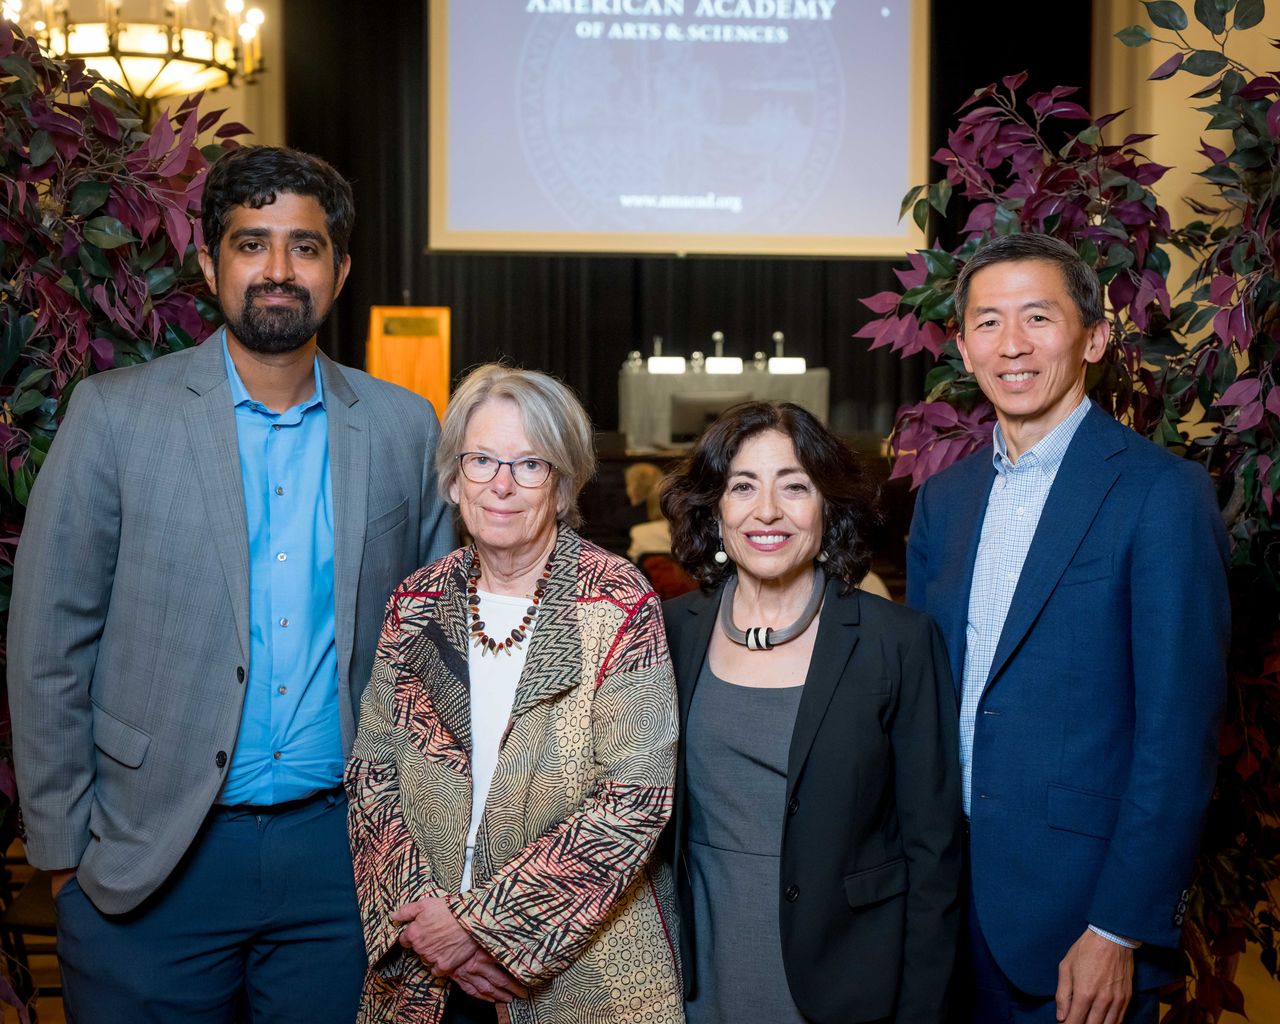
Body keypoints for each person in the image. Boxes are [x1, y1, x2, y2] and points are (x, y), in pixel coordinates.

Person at [7, 145, 454, 1022]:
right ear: (210, 263)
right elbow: (47, 642)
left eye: (305, 246)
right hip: (150, 861)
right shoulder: (115, 416)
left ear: (341, 269)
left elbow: (435, 648)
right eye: (252, 244)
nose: (278, 270)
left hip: (341, 864)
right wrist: (65, 855)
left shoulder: (404, 427)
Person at [906, 233, 1230, 1024]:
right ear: (962, 345)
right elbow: (922, 702)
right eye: (987, 322)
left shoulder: (1161, 494)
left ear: (1093, 336)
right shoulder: (941, 503)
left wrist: (1119, 926)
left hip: (1079, 926)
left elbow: (1178, 735)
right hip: (946, 917)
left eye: (1038, 318)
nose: (1011, 345)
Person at [346, 364, 683, 1024]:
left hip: (581, 966)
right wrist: (426, 923)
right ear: (453, 478)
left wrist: (480, 927)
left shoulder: (617, 602)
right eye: (482, 460)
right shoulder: (415, 602)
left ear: (562, 485)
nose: (501, 484)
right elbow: (371, 772)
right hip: (424, 964)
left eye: (530, 464)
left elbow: (636, 798)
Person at [660, 400, 961, 1024]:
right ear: (715, 510)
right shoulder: (670, 633)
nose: (766, 511)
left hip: (848, 979)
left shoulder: (897, 642)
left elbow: (934, 853)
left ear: (828, 505)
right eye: (743, 486)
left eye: (793, 486)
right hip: (694, 977)